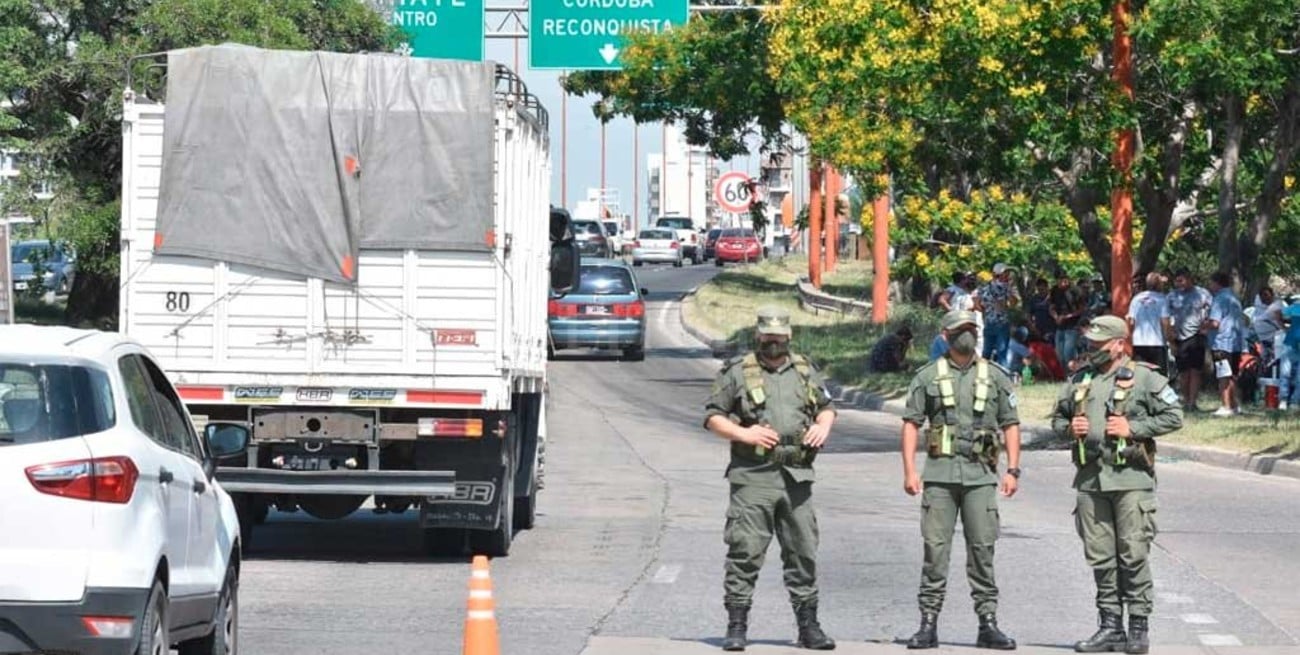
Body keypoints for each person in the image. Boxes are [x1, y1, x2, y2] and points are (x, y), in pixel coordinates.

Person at [704, 306, 838, 651]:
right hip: (753, 477)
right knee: (745, 551)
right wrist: (744, 434)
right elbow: (713, 417)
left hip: (797, 477)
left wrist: (823, 425)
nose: (774, 343)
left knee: (803, 551)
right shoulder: (738, 371)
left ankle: (809, 627)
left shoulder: (805, 370)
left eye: (779, 337)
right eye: (768, 336)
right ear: (758, 335)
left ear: (789, 336)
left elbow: (825, 406)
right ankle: (736, 626)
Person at [1050, 316, 1183, 655]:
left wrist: (1133, 427)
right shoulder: (1081, 379)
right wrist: (1070, 428)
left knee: (1133, 554)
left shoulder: (1145, 378)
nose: (1092, 350)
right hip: (1091, 480)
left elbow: (1174, 416)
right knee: (1101, 558)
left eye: (1099, 345)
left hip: (1131, 482)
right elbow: (1058, 417)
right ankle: (1110, 627)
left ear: (1120, 344)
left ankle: (1138, 627)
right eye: (1090, 345)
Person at [900, 309, 1021, 651]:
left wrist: (1013, 469)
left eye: (971, 329)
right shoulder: (927, 377)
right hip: (939, 477)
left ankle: (988, 624)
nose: (965, 335)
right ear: (945, 335)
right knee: (935, 550)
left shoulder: (996, 376)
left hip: (981, 477)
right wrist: (909, 469)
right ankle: (928, 624)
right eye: (959, 330)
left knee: (982, 550)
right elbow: (911, 423)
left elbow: (1011, 424)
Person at [1164, 270, 1212, 411]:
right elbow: (1166, 316)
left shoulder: (1203, 294)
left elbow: (1212, 311)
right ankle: (1185, 400)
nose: (1179, 284)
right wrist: (1170, 336)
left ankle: (1193, 402)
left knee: (1195, 370)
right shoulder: (1171, 296)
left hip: (1196, 336)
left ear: (1190, 279)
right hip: (1179, 337)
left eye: (1182, 280)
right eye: (1177, 281)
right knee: (1183, 371)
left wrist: (1205, 326)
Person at [1204, 272, 1245, 416]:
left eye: (1211, 283)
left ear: (1217, 283)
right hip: (1235, 342)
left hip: (1221, 342)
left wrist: (1202, 326)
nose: (1209, 286)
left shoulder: (1220, 299)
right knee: (1232, 375)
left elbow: (1215, 322)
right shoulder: (1234, 298)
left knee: (1223, 375)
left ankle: (1225, 406)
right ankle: (1235, 405)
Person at [975, 263, 1020, 369]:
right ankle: (1003, 377)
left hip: (988, 322)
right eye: (1006, 273)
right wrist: (1005, 305)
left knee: (986, 352)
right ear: (999, 274)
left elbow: (977, 304)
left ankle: (981, 374)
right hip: (1002, 323)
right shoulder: (1006, 287)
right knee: (1001, 353)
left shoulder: (984, 287)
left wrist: (987, 311)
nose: (1008, 275)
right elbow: (1013, 303)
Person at [1126, 273, 1170, 371]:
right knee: (1158, 376)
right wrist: (1170, 340)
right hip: (1157, 343)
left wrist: (1129, 339)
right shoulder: (1162, 299)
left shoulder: (1136, 299)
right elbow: (1165, 322)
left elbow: (1131, 321)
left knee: (1139, 373)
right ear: (1158, 284)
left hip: (1138, 343)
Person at [1050, 270, 1086, 369]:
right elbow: (1051, 307)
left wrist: (1067, 316)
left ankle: (1073, 373)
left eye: (1065, 279)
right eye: (1060, 280)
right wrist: (1056, 316)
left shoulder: (1076, 291)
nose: (1063, 282)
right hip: (1060, 325)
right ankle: (1065, 375)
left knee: (1068, 353)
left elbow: (1081, 309)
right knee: (1059, 353)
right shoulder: (1054, 290)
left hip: (1072, 325)